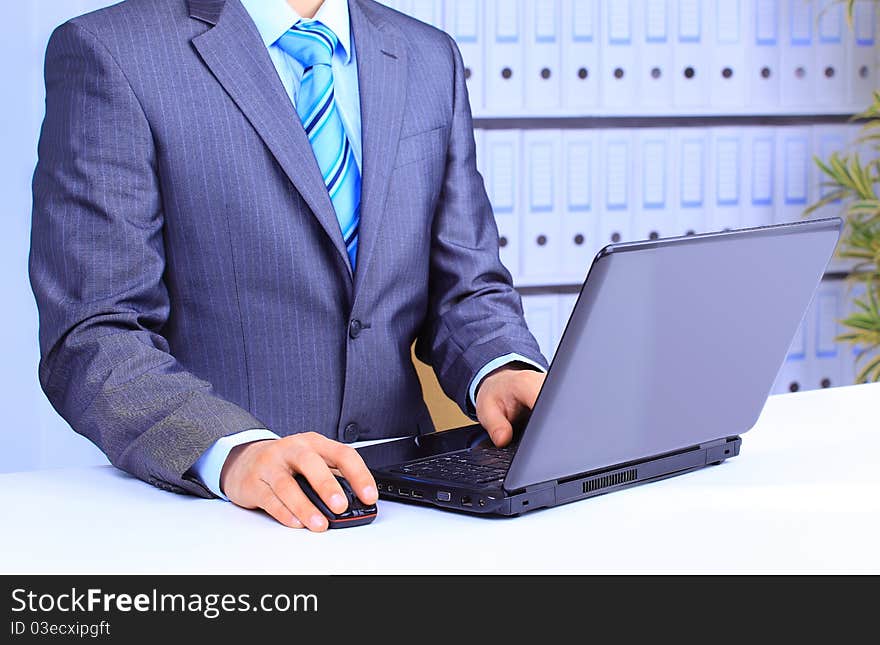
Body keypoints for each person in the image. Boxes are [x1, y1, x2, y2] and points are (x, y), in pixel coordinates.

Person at [29, 0, 547, 532]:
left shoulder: (427, 54)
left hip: (409, 513)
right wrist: (234, 450)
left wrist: (501, 368)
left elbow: (465, 287)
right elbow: (95, 333)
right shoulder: (112, 51)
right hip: (226, 521)